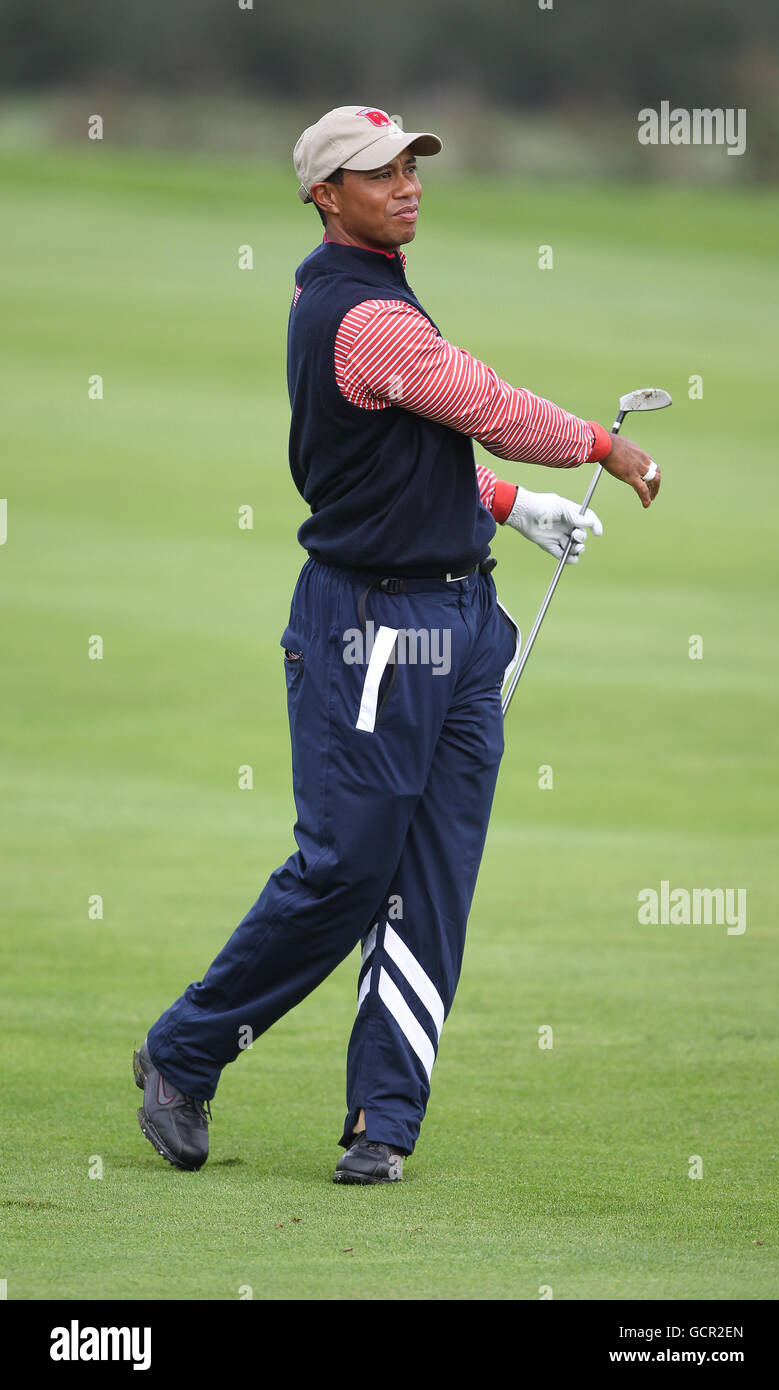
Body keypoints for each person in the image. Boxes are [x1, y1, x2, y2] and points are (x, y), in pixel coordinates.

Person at [133, 105, 660, 1184]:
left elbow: (401, 462)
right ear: (327, 196)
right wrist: (598, 446)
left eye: (410, 165)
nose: (406, 184)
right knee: (346, 869)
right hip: (372, 626)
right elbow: (481, 403)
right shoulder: (362, 313)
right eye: (378, 173)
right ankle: (184, 1051)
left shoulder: (372, 294)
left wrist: (505, 505)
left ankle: (384, 1121)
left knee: (432, 870)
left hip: (460, 620)